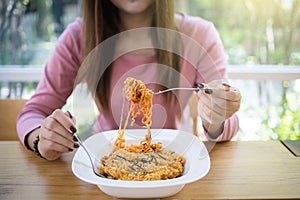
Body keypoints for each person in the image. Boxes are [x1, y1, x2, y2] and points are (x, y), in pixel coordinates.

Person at [17, 0, 241, 161]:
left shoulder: (199, 34)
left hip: (173, 163)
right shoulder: (78, 36)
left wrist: (216, 113)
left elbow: (227, 126)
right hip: (103, 164)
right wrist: (42, 138)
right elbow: (33, 112)